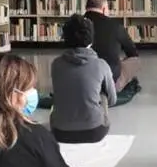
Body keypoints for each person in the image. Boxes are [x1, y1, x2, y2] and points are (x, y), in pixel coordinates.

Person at [49, 13, 117, 144]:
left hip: (59, 132)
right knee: (102, 93)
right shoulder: (101, 64)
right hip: (95, 131)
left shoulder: (56, 64)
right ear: (91, 39)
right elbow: (112, 100)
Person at [84, 0, 141, 96]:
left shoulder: (74, 26)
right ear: (104, 9)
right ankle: (112, 88)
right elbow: (133, 53)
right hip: (108, 82)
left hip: (81, 81)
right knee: (135, 61)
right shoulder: (115, 26)